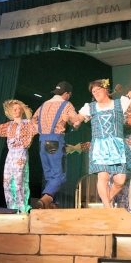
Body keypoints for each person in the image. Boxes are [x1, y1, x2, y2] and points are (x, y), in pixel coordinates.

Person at [76, 79, 131, 208]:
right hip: (100, 147)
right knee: (103, 177)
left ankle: (107, 200)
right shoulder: (90, 107)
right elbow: (77, 120)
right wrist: (72, 120)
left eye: (98, 89)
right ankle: (108, 208)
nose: (96, 93)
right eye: (93, 91)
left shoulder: (119, 103)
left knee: (120, 181)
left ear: (106, 90)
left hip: (117, 146)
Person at [30, 81, 82, 209]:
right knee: (60, 176)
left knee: (50, 176)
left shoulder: (44, 105)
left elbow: (32, 120)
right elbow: (76, 123)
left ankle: (52, 203)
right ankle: (45, 198)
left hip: (42, 142)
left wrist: (40, 130)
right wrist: (69, 121)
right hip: (56, 142)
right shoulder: (66, 104)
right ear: (66, 94)